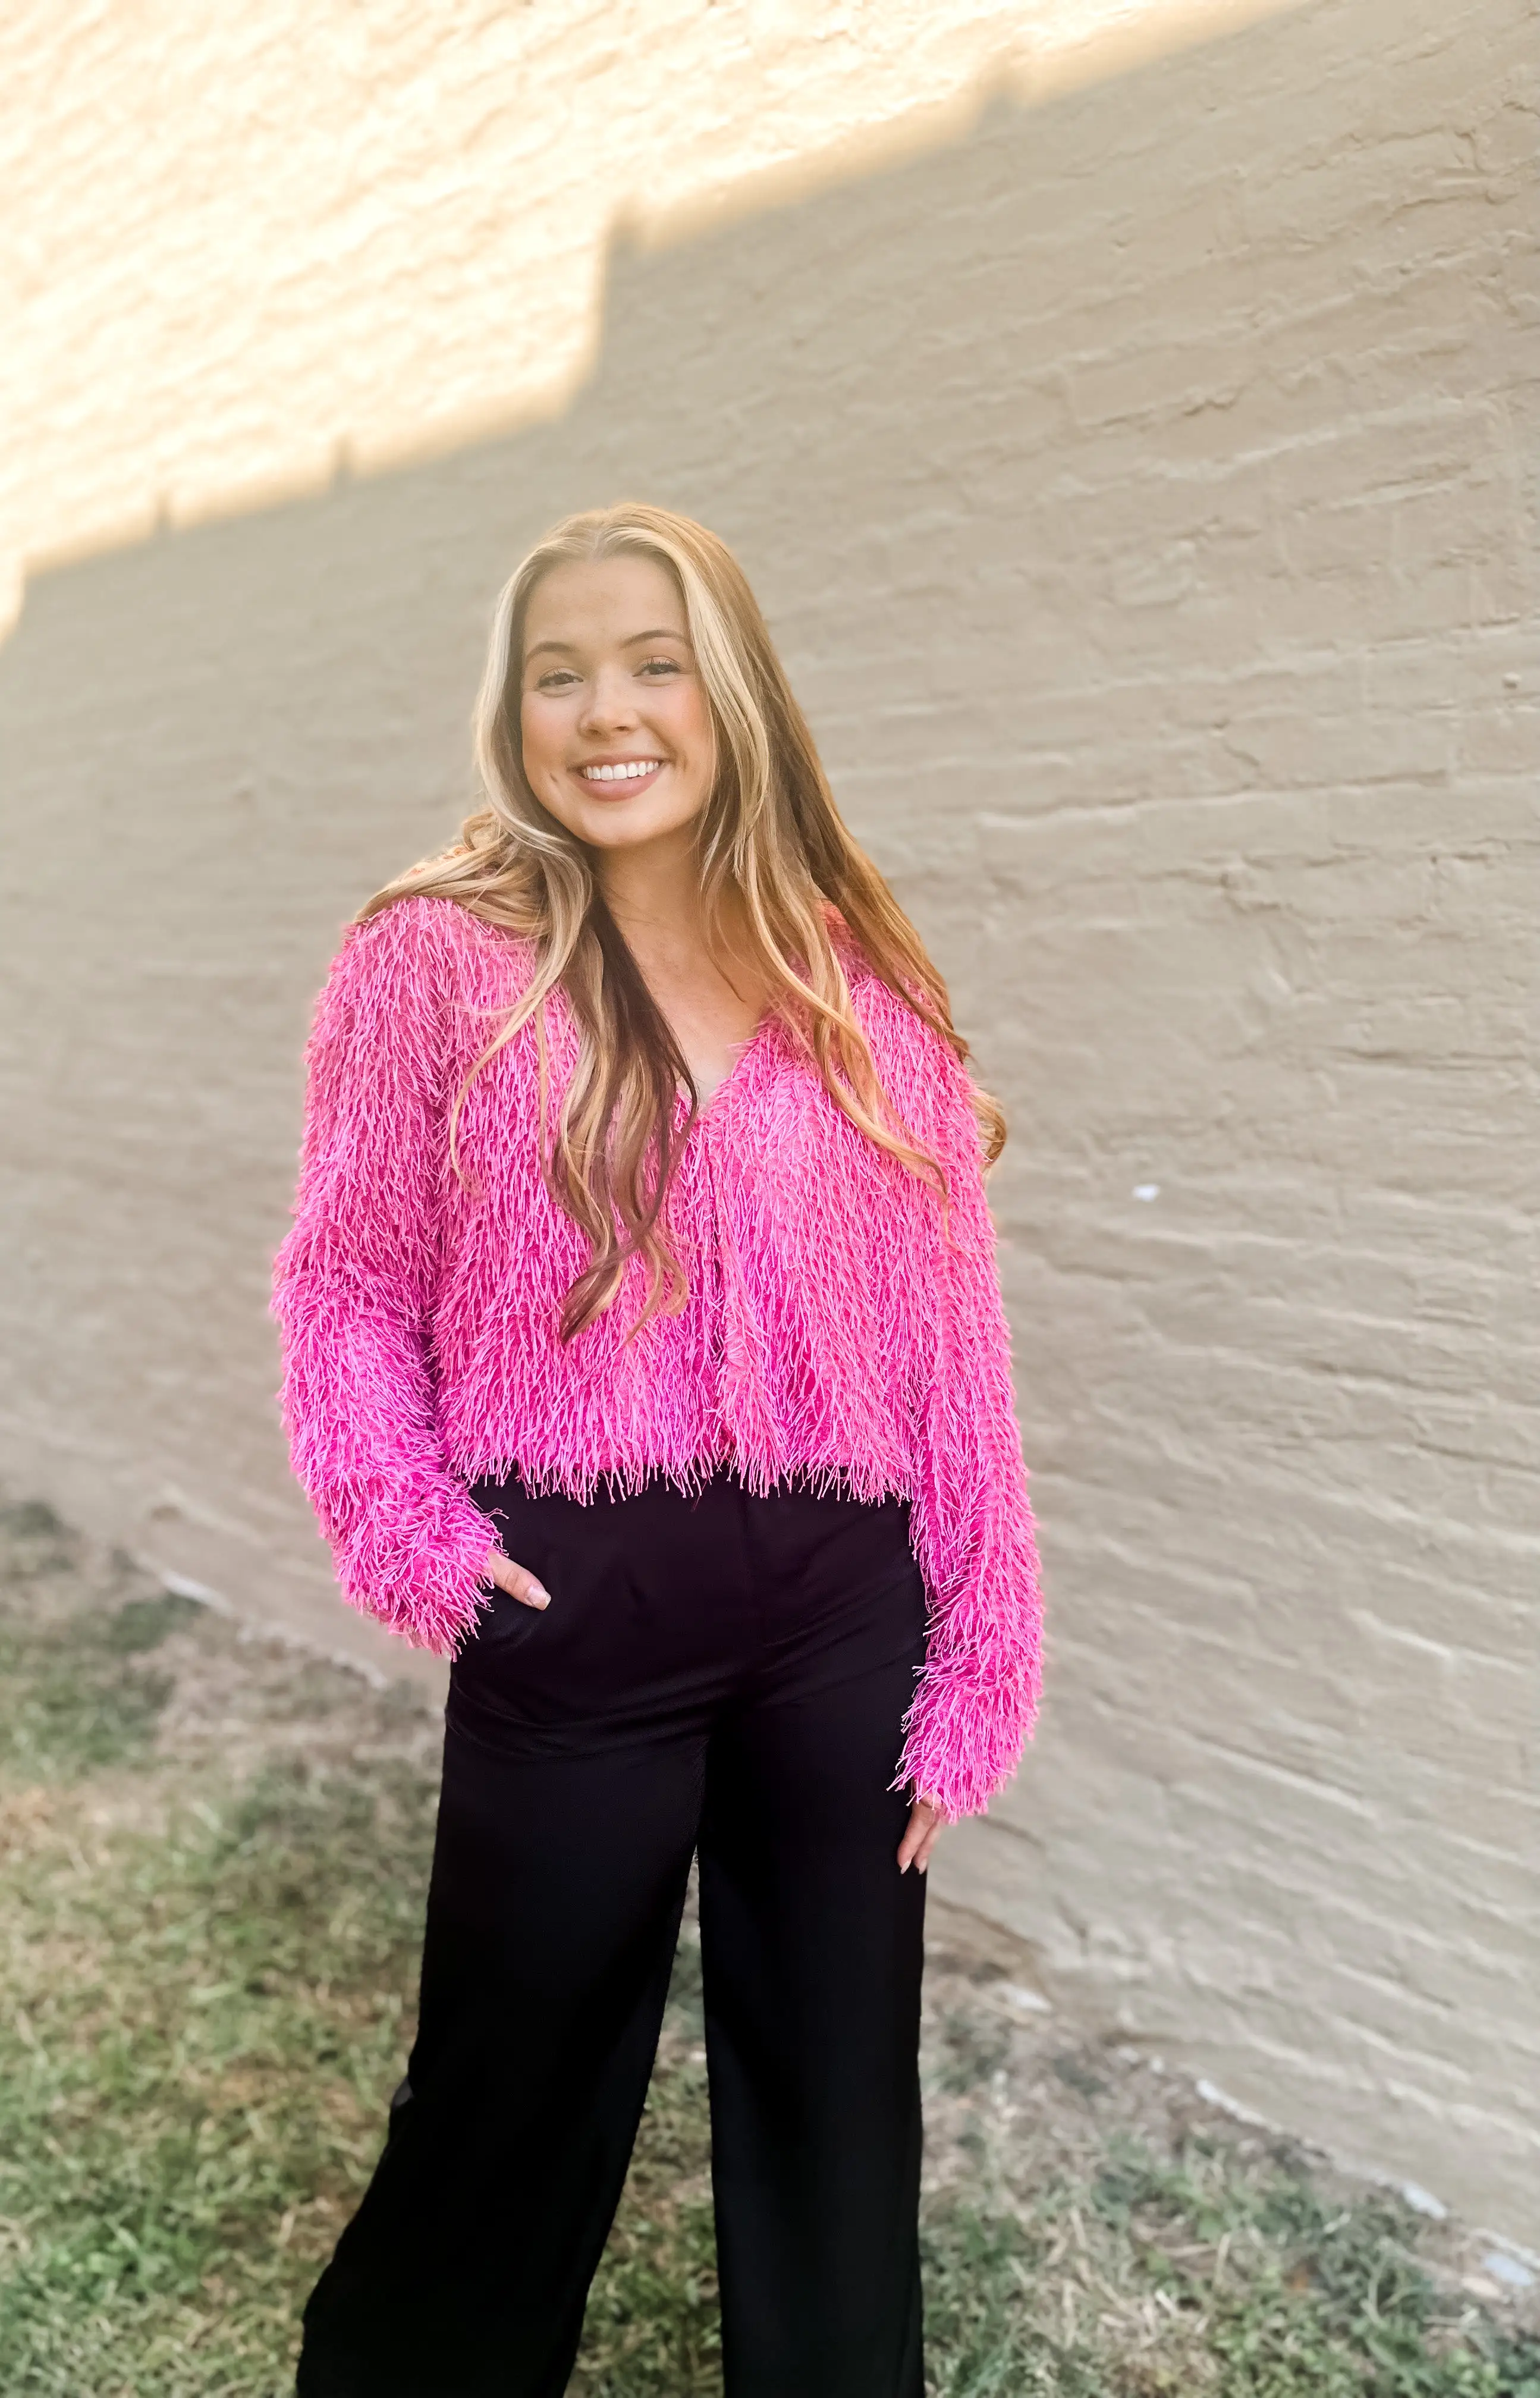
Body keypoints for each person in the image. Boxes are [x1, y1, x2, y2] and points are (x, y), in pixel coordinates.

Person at [272, 502, 1042, 2398]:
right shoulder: (436, 959)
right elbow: (345, 1287)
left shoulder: (849, 969)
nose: (603, 711)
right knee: (507, 2088)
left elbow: (950, 1342)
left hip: (842, 1616)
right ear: (514, 712)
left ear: (731, 697)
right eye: (559, 673)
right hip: (578, 1596)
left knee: (841, 2104)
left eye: (652, 661)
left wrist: (983, 1648)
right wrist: (411, 1529)